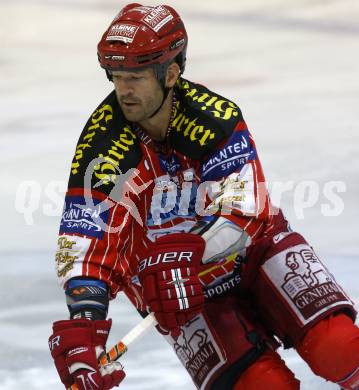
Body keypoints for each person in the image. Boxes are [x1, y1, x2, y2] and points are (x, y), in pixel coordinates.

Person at [49, 4, 359, 390]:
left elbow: (246, 211)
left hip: (254, 252)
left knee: (340, 348)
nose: (123, 90)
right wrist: (84, 322)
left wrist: (184, 251)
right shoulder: (104, 146)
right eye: (117, 76)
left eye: (136, 77)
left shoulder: (215, 117)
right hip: (176, 294)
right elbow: (85, 241)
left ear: (172, 73)